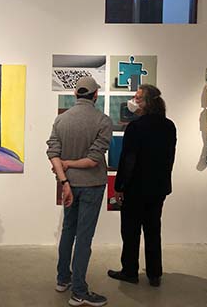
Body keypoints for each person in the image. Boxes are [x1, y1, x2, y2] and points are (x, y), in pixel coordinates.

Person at [46, 76, 112, 307]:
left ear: (76, 94)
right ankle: (79, 292)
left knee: (68, 231)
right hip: (92, 186)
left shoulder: (61, 120)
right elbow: (94, 160)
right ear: (95, 95)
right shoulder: (103, 121)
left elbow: (53, 153)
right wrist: (71, 163)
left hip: (68, 185)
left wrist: (64, 178)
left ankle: (63, 279)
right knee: (84, 237)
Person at [108, 84, 176, 287]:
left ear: (146, 103)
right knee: (153, 229)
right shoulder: (169, 126)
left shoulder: (136, 127)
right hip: (158, 188)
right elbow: (169, 159)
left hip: (136, 188)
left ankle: (130, 271)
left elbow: (128, 160)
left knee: (131, 231)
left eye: (137, 98)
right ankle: (154, 274)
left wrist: (119, 186)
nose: (133, 101)